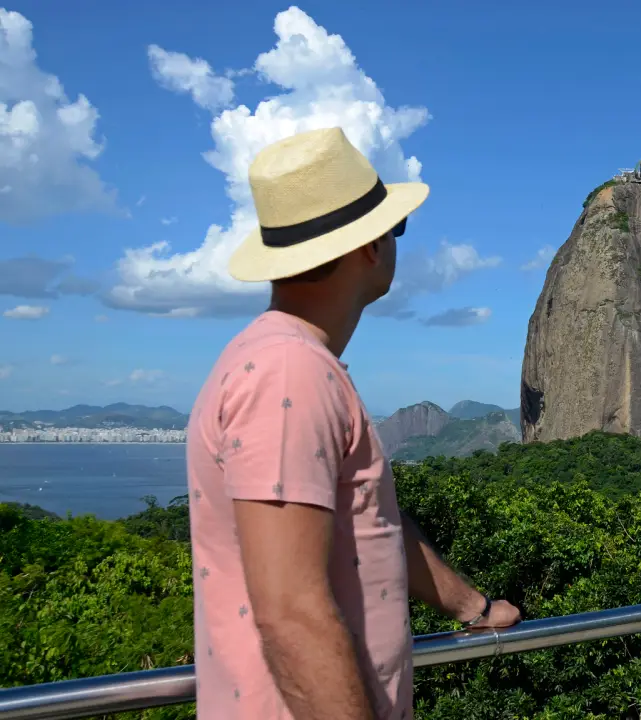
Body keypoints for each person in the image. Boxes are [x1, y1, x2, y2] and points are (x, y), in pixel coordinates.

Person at [186, 127, 521, 720]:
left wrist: (473, 605)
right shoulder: (288, 374)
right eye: (397, 227)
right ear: (369, 247)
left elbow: (370, 525)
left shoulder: (291, 363)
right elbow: (292, 612)